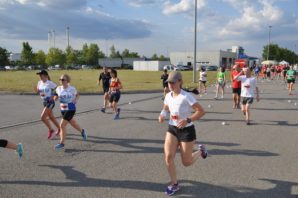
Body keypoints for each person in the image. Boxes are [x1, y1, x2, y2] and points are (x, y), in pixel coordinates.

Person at [158, 71, 208, 196]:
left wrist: (188, 120)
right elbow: (166, 107)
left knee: (186, 162)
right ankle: (174, 184)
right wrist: (162, 114)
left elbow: (201, 111)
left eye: (173, 83)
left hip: (187, 130)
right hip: (172, 129)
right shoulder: (168, 95)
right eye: (168, 83)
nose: (170, 85)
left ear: (180, 81)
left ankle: (201, 151)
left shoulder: (186, 96)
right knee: (168, 156)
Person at [54, 74, 87, 150]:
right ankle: (82, 131)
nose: (61, 81)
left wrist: (76, 99)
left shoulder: (72, 88)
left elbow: (78, 94)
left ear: (67, 81)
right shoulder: (58, 88)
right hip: (63, 109)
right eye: (60, 79)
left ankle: (62, 143)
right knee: (72, 122)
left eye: (63, 79)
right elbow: (55, 96)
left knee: (62, 125)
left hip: (71, 108)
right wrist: (55, 98)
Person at [35, 70, 60, 139]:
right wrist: (38, 91)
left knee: (42, 117)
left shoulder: (50, 83)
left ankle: (51, 130)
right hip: (44, 101)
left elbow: (58, 88)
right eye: (39, 75)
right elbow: (38, 90)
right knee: (51, 117)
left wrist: (53, 96)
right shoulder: (39, 82)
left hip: (50, 102)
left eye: (41, 74)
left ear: (46, 75)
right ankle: (60, 128)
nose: (40, 76)